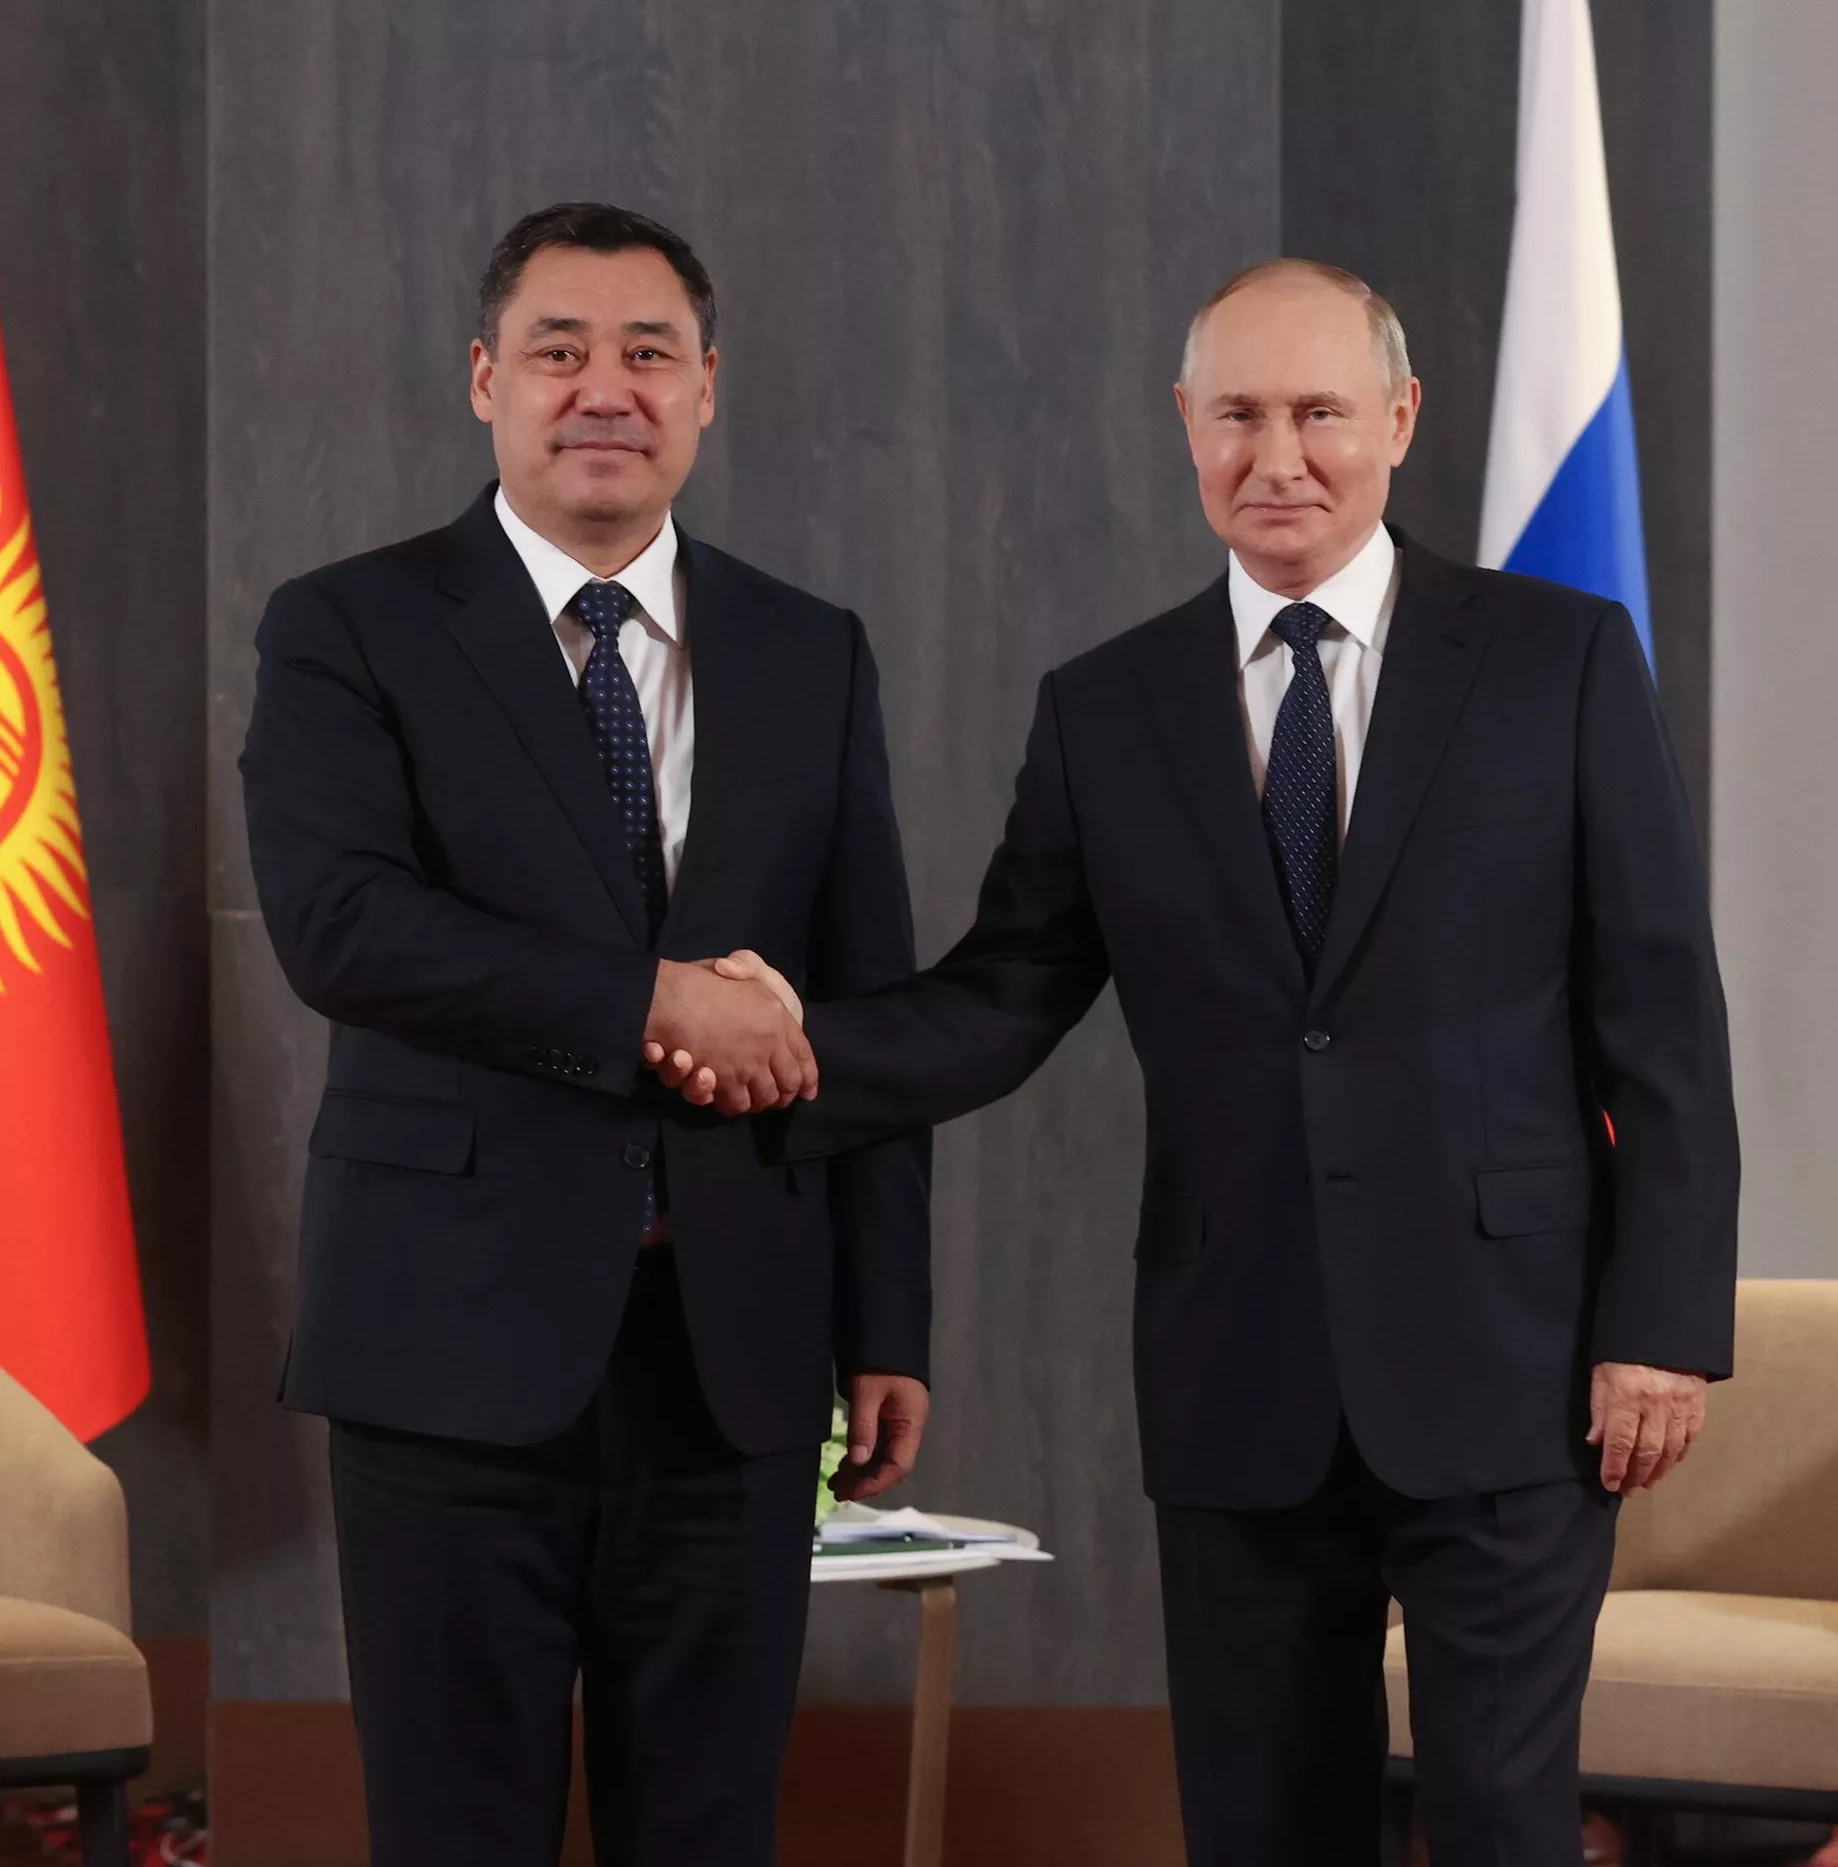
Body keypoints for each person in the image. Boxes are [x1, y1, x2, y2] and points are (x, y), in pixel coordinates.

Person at [645, 259, 1740, 1866]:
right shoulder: (1108, 707)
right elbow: (1002, 996)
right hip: (1240, 1365)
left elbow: (1664, 1020)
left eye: (1319, 413)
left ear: (1400, 420)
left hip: (1511, 1360)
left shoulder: (1558, 659)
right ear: (1185, 424)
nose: (1276, 456)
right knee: (1259, 1823)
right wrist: (780, 1045)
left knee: (1504, 1821)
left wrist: (1660, 1328)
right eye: (1238, 414)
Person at [239, 201, 932, 1867]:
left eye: (648, 353)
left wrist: (887, 1316)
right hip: (445, 1348)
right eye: (558, 351)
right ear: (487, 380)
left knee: (708, 1831)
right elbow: (344, 926)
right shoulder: (347, 625)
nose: (604, 388)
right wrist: (650, 1002)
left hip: (735, 1357)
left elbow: (865, 998)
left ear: (708, 389)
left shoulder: (811, 650)